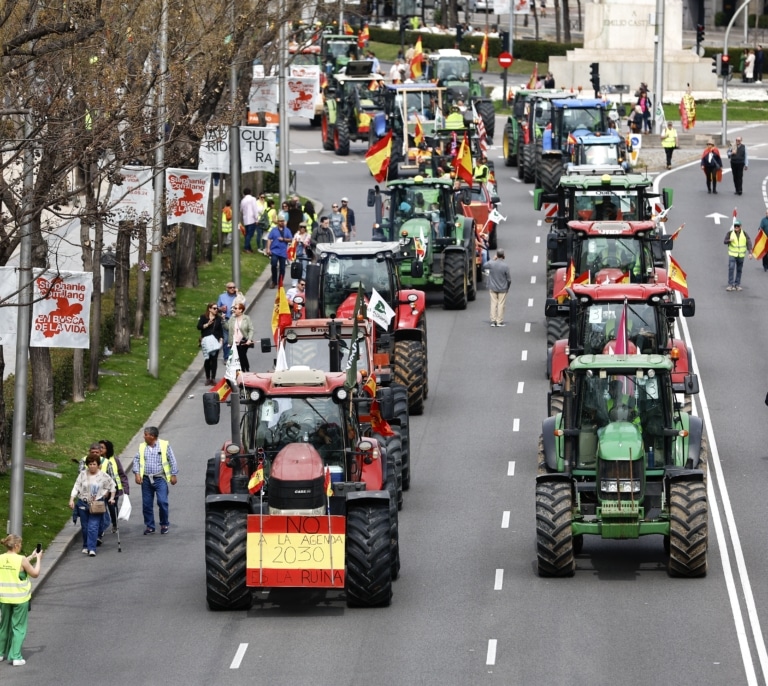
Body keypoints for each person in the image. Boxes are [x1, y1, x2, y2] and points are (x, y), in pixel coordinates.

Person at [0, 534, 42, 666]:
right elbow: (35, 573)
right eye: (21, 544)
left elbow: (15, 567)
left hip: (4, 598)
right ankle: (16, 657)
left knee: (4, 626)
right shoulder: (21, 559)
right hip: (19, 598)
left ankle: (1, 653)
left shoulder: (1, 558)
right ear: (16, 545)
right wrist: (39, 559)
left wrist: (32, 556)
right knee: (18, 627)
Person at [132, 427, 179, 536]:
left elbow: (172, 460)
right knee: (147, 504)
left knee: (162, 502)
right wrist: (137, 474)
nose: (144, 436)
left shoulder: (164, 445)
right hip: (146, 479)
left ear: (152, 436)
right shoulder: (142, 446)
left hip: (160, 478)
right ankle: (150, 526)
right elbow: (136, 460)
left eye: (146, 434)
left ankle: (164, 524)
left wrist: (174, 474)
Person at [70, 446, 116, 555]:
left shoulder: (103, 475)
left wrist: (112, 498)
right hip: (83, 503)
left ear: (98, 465)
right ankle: (86, 545)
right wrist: (71, 499)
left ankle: (92, 548)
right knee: (85, 527)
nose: (92, 466)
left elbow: (112, 486)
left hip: (97, 503)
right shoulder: (82, 475)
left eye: (94, 464)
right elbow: (76, 486)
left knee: (93, 526)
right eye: (90, 464)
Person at [99, 439, 129, 534]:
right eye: (99, 447)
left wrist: (126, 488)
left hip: (113, 490)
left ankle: (114, 523)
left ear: (108, 449)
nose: (100, 449)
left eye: (102, 447)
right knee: (100, 508)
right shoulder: (96, 459)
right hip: (100, 489)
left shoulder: (114, 460)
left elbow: (121, 474)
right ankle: (101, 527)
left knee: (112, 507)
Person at [198, 302, 225, 384]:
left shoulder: (218, 319)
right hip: (206, 340)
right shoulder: (203, 317)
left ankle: (213, 377)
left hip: (215, 341)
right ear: (209, 309)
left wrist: (221, 338)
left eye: (217, 308)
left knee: (214, 359)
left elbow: (220, 330)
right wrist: (207, 324)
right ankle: (207, 377)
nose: (216, 310)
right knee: (207, 359)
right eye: (214, 308)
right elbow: (199, 327)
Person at [483, 249, 512, 327]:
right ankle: (499, 321)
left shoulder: (491, 264)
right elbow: (509, 279)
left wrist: (493, 259)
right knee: (501, 304)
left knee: (493, 303)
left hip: (492, 287)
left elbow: (484, 265)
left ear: (497, 255)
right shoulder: (505, 266)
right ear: (503, 256)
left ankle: (493, 321)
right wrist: (507, 287)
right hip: (502, 288)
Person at [724, 219, 753, 291]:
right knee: (731, 268)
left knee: (739, 270)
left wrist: (750, 253)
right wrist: (729, 240)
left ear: (740, 227)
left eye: (737, 226)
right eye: (735, 226)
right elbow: (725, 241)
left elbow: (749, 243)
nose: (736, 227)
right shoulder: (730, 233)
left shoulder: (745, 234)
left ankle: (737, 284)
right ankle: (730, 284)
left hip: (741, 255)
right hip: (732, 254)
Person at [227, 301, 255, 372]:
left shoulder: (246, 318)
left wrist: (249, 339)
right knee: (236, 357)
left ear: (241, 310)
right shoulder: (232, 318)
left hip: (243, 341)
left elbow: (251, 329)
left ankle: (243, 370)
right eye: (234, 308)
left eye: (236, 308)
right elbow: (227, 327)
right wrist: (223, 321)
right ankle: (244, 370)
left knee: (241, 355)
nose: (234, 310)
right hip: (233, 342)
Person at [217, 282, 241, 361]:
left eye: (234, 287)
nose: (232, 289)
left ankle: (235, 356)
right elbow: (217, 308)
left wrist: (238, 294)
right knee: (226, 339)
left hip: (236, 319)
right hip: (226, 319)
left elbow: (243, 306)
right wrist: (221, 309)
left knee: (236, 339)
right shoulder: (222, 297)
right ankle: (226, 357)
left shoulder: (238, 296)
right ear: (226, 288)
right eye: (230, 287)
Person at [266, 217, 292, 288]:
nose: (282, 223)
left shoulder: (287, 230)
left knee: (282, 268)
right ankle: (274, 281)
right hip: (274, 250)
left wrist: (283, 239)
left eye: (283, 221)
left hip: (283, 252)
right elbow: (269, 239)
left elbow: (290, 239)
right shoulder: (274, 230)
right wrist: (268, 249)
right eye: (280, 221)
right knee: (273, 264)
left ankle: (280, 282)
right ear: (278, 222)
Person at [240, 187, 259, 254]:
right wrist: (256, 219)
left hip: (246, 220)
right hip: (252, 219)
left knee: (247, 234)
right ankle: (246, 247)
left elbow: (241, 210)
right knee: (249, 235)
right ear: (250, 192)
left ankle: (249, 248)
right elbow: (255, 209)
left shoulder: (243, 200)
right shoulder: (253, 199)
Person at [759, 208, 768, 272]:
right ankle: (765, 265)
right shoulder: (763, 220)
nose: (767, 214)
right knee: (765, 253)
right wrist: (760, 229)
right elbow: (760, 227)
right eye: (766, 213)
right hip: (765, 239)